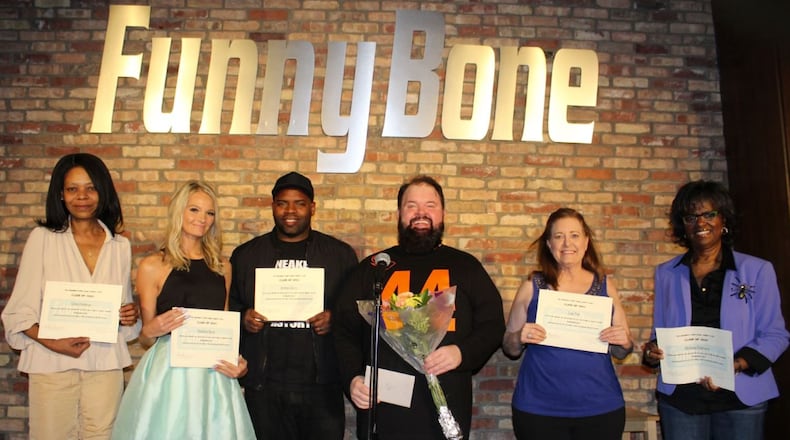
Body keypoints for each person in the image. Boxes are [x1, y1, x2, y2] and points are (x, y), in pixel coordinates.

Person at [333, 175, 506, 440]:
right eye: (411, 206)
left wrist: (462, 353)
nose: (421, 213)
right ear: (399, 214)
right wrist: (353, 379)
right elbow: (343, 331)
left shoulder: (466, 267)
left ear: (443, 213)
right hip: (384, 409)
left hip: (446, 407)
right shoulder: (374, 269)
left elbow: (493, 325)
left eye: (430, 205)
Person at [1, 153, 140, 440]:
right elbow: (19, 312)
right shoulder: (43, 238)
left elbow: (122, 311)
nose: (82, 197)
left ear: (103, 192)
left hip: (103, 364)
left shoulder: (120, 246)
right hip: (51, 363)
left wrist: (129, 314)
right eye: (72, 189)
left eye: (90, 188)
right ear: (61, 195)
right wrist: (54, 343)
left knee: (103, 436)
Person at [642, 180, 789, 440]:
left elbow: (775, 335)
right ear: (682, 225)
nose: (701, 223)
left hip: (741, 395)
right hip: (682, 399)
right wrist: (653, 351)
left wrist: (735, 364)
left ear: (723, 220)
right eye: (691, 216)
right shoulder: (666, 273)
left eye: (709, 214)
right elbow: (660, 332)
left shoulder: (757, 270)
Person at [111, 180, 255, 439]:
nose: (203, 219)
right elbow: (145, 337)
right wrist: (152, 328)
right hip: (169, 374)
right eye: (194, 210)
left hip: (213, 374)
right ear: (179, 211)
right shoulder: (153, 265)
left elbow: (222, 325)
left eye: (209, 213)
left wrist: (238, 361)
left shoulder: (223, 267)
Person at [228, 171, 358, 440]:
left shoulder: (340, 255)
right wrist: (244, 317)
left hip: (321, 385)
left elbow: (356, 312)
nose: (290, 211)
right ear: (273, 206)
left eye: (299, 203)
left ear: (312, 208)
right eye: (282, 203)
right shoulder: (246, 255)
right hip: (264, 387)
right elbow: (229, 307)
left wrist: (334, 318)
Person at [502, 207, 633, 440]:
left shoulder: (605, 286)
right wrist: (520, 335)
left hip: (599, 409)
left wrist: (623, 341)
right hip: (538, 410)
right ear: (549, 244)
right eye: (558, 236)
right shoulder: (532, 286)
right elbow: (509, 347)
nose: (566, 243)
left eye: (574, 235)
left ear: (585, 242)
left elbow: (622, 350)